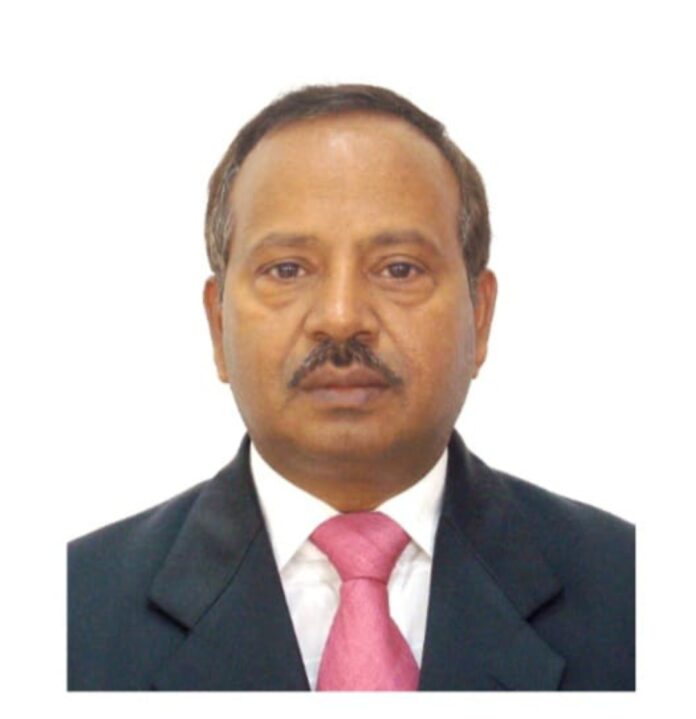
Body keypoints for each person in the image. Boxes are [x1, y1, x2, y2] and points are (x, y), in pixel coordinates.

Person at [68, 84, 635, 691]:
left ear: (480, 314)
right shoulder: (70, 609)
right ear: (217, 322)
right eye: (287, 269)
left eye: (399, 269)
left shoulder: (633, 590)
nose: (340, 317)